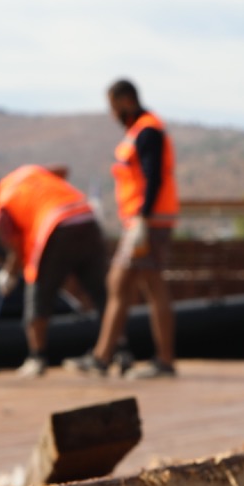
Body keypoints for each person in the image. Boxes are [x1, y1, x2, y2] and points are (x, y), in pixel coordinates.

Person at [69, 78, 178, 379]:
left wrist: (143, 218)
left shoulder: (147, 131)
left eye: (114, 106)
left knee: (131, 284)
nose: (112, 113)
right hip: (144, 221)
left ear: (126, 100)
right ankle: (106, 357)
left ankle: (155, 360)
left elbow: (153, 176)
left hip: (148, 222)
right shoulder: (138, 131)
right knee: (130, 285)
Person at [0, 166, 108, 376]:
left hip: (55, 227)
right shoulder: (27, 173)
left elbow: (17, 249)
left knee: (37, 296)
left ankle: (37, 357)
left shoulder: (1, 205)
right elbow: (62, 170)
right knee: (101, 294)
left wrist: (9, 273)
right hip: (86, 217)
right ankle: (120, 349)